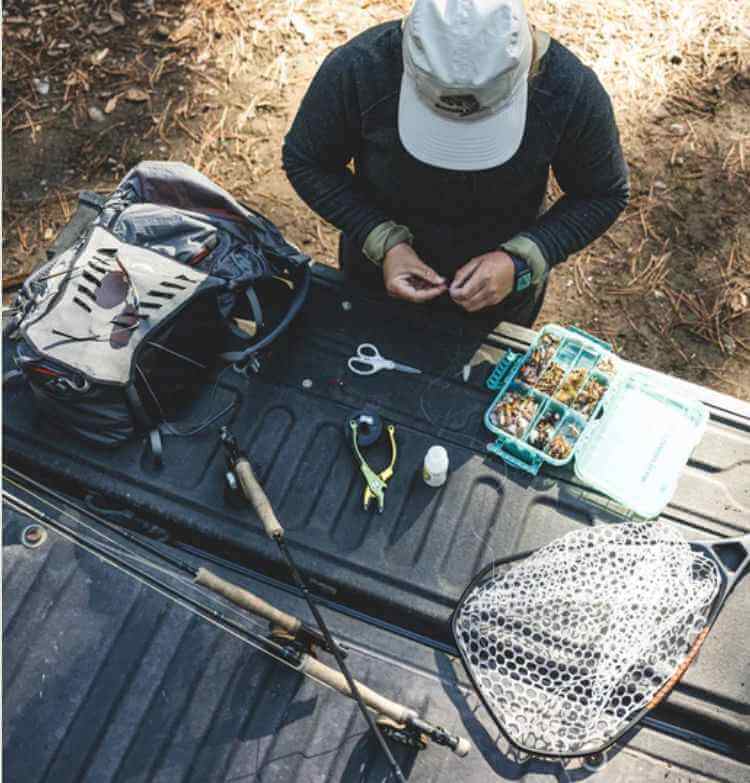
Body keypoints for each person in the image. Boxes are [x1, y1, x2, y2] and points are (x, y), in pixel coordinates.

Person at [282, 0, 629, 331]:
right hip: (373, 279)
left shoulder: (567, 89)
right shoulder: (361, 69)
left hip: (502, 299)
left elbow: (602, 192)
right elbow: (306, 159)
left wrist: (523, 260)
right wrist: (381, 240)